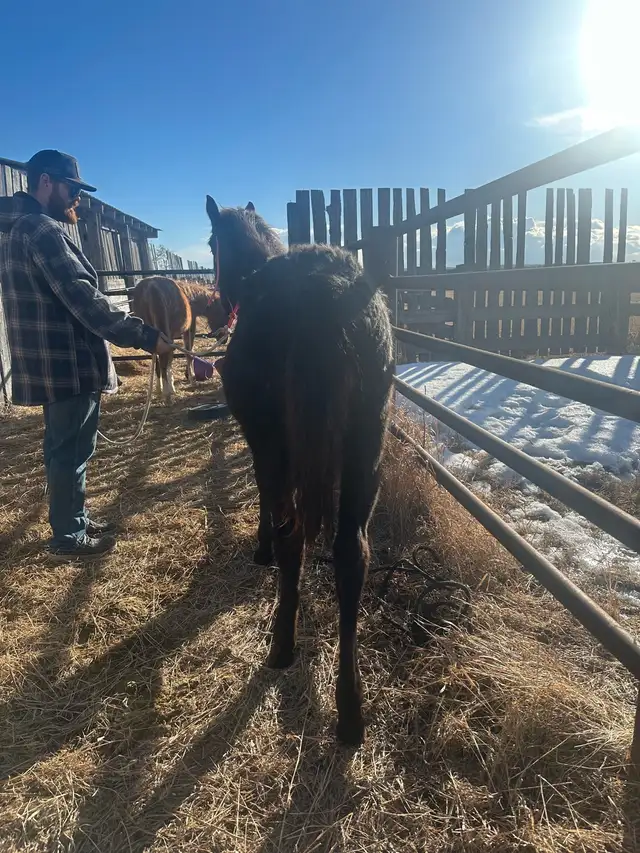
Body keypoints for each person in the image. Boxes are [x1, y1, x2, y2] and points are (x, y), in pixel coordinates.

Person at [0, 149, 173, 558]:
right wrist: (146, 336)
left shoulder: (17, 230)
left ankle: (72, 519)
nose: (77, 197)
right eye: (72, 187)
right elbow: (87, 301)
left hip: (53, 361)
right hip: (68, 362)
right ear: (46, 182)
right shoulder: (41, 231)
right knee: (69, 451)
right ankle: (67, 537)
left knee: (69, 448)